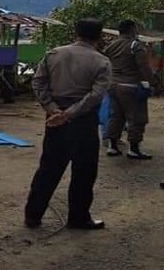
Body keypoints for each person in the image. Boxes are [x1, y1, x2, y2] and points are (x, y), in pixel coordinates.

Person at [24, 18, 111, 230]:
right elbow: (95, 96)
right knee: (84, 170)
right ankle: (78, 218)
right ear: (99, 36)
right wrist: (69, 114)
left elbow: (38, 82)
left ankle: (33, 216)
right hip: (83, 119)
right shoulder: (101, 62)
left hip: (55, 117)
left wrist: (53, 109)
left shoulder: (54, 54)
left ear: (76, 33)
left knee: (49, 168)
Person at [103, 19, 156, 159]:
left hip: (113, 85)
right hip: (130, 86)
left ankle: (112, 146)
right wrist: (153, 82)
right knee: (136, 117)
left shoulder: (111, 45)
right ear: (132, 29)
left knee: (115, 116)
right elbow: (144, 67)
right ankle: (134, 149)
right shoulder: (135, 45)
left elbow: (104, 61)